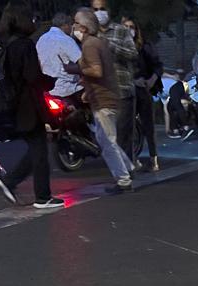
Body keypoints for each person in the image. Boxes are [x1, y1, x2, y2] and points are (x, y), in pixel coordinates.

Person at [0, 3, 62, 209]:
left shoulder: (8, 44)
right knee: (40, 150)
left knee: (36, 149)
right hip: (29, 105)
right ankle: (42, 196)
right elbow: (32, 76)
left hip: (17, 105)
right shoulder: (24, 45)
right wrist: (50, 81)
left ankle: (11, 181)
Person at [65, 9, 134, 191]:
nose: (74, 27)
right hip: (106, 98)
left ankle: (124, 180)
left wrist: (76, 70)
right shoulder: (98, 42)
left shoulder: (89, 45)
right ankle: (128, 168)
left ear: (85, 27)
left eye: (76, 23)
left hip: (104, 101)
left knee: (107, 143)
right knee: (106, 140)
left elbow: (96, 71)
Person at [91, 0, 139, 166]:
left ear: (108, 10)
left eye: (102, 9)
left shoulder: (120, 30)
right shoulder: (91, 34)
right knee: (106, 137)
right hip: (102, 94)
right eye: (95, 9)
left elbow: (133, 54)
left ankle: (127, 175)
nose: (99, 12)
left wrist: (110, 46)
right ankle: (121, 175)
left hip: (122, 90)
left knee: (123, 136)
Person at [123, 17, 163, 172]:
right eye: (125, 26)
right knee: (128, 127)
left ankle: (154, 158)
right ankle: (133, 158)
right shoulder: (118, 48)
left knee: (148, 125)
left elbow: (157, 66)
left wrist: (151, 80)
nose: (128, 30)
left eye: (131, 26)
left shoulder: (144, 46)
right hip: (127, 90)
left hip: (142, 90)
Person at [36, 12, 83, 100]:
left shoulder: (41, 39)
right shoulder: (65, 39)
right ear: (65, 25)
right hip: (70, 90)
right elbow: (82, 62)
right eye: (71, 25)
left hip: (49, 90)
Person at [166, 70, 196, 138]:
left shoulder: (176, 85)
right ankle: (184, 127)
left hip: (173, 101)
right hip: (177, 100)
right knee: (176, 106)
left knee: (173, 108)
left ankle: (176, 129)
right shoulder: (180, 84)